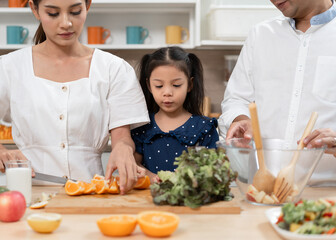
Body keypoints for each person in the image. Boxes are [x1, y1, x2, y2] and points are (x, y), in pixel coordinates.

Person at [0, 0, 149, 194]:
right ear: (34, 9)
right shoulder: (8, 67)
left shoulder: (115, 69)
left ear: (87, 6)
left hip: (92, 194)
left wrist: (123, 148)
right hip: (27, 194)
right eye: (53, 13)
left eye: (75, 11)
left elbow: (122, 137)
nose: (66, 23)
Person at [219, 0, 336, 185]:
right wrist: (241, 119)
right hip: (262, 189)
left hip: (326, 193)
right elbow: (236, 98)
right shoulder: (260, 34)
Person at [131, 47, 219, 183]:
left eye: (176, 85)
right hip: (148, 200)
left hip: (191, 200)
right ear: (149, 86)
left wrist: (193, 174)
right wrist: (151, 176)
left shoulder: (204, 128)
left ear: (190, 85)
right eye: (159, 86)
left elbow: (213, 167)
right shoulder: (142, 126)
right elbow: (134, 164)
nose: (167, 92)